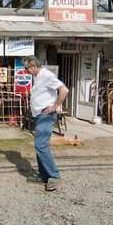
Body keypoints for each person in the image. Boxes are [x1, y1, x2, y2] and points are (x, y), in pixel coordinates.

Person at [24, 56, 69, 191]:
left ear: (33, 66)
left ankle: (53, 176)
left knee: (40, 145)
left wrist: (55, 106)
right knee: (40, 146)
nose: (26, 71)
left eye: (26, 68)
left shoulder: (46, 75)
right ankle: (44, 176)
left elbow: (64, 90)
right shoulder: (37, 76)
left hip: (46, 114)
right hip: (39, 115)